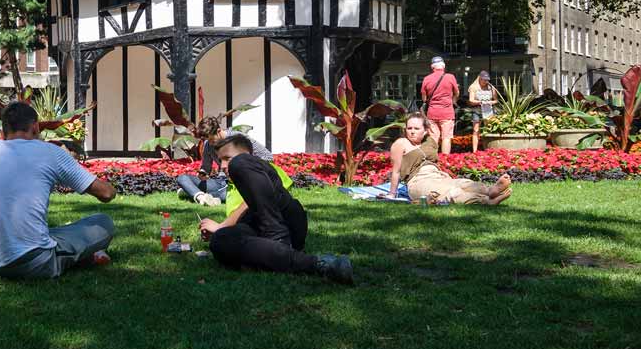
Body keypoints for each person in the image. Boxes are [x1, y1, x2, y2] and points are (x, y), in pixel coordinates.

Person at [0, 101, 117, 279]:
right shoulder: (50, 152)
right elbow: (106, 194)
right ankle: (80, 258)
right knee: (104, 222)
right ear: (35, 126)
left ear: (3, 130)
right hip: (33, 261)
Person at [198, 134, 353, 284]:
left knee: (239, 164)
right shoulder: (232, 184)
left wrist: (221, 226)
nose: (223, 166)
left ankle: (298, 254)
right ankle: (280, 256)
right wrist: (220, 232)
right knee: (220, 240)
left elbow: (259, 198)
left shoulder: (251, 167)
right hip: (258, 228)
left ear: (249, 155)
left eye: (227, 158)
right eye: (220, 161)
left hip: (284, 219)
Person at [385, 113, 511, 205]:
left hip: (438, 175)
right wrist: (392, 194)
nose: (412, 132)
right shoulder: (400, 143)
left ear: (424, 131)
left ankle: (490, 190)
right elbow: (396, 171)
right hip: (418, 180)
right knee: (452, 192)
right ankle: (485, 201)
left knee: (463, 183)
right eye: (409, 128)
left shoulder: (429, 141)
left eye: (416, 128)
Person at [176, 116, 273, 207]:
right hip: (220, 182)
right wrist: (203, 173)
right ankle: (201, 197)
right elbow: (206, 168)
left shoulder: (238, 139)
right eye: (207, 140)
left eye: (211, 140)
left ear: (218, 131)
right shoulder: (208, 145)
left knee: (228, 194)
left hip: (239, 183)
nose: (209, 143)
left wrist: (248, 170)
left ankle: (192, 192)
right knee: (182, 178)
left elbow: (267, 156)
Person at [420, 56, 460, 154]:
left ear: (432, 67)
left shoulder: (426, 79)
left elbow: (424, 99)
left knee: (433, 138)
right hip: (447, 113)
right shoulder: (450, 77)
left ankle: (432, 160)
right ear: (444, 66)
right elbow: (457, 93)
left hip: (432, 113)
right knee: (446, 138)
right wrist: (453, 101)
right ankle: (445, 160)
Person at [466, 70, 497, 153]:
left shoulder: (491, 88)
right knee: (476, 130)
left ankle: (489, 148)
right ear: (480, 78)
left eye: (487, 80)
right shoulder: (473, 87)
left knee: (489, 129)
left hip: (489, 110)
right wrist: (480, 102)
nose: (486, 81)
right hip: (477, 109)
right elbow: (471, 100)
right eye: (484, 80)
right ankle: (475, 151)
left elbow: (496, 100)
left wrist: (490, 102)